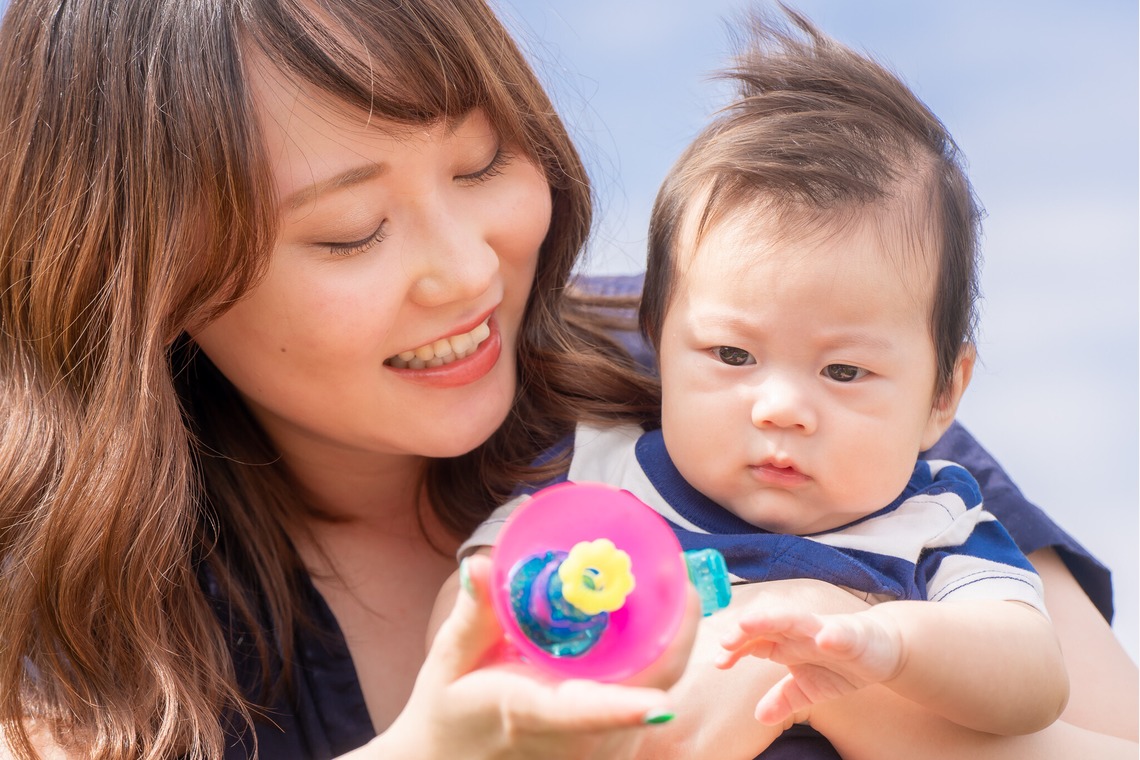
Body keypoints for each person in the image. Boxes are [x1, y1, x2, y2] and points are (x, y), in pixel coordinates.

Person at [0, 0, 1133, 759]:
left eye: (486, 162)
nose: (464, 270)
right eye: (349, 232)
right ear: (144, 281)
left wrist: (843, 652)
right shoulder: (72, 598)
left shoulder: (747, 375)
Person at [458, 7, 1139, 760]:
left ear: (943, 394)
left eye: (844, 371)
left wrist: (895, 648)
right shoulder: (599, 481)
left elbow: (1034, 680)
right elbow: (469, 617)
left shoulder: (932, 525)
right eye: (731, 355)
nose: (781, 407)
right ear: (656, 335)